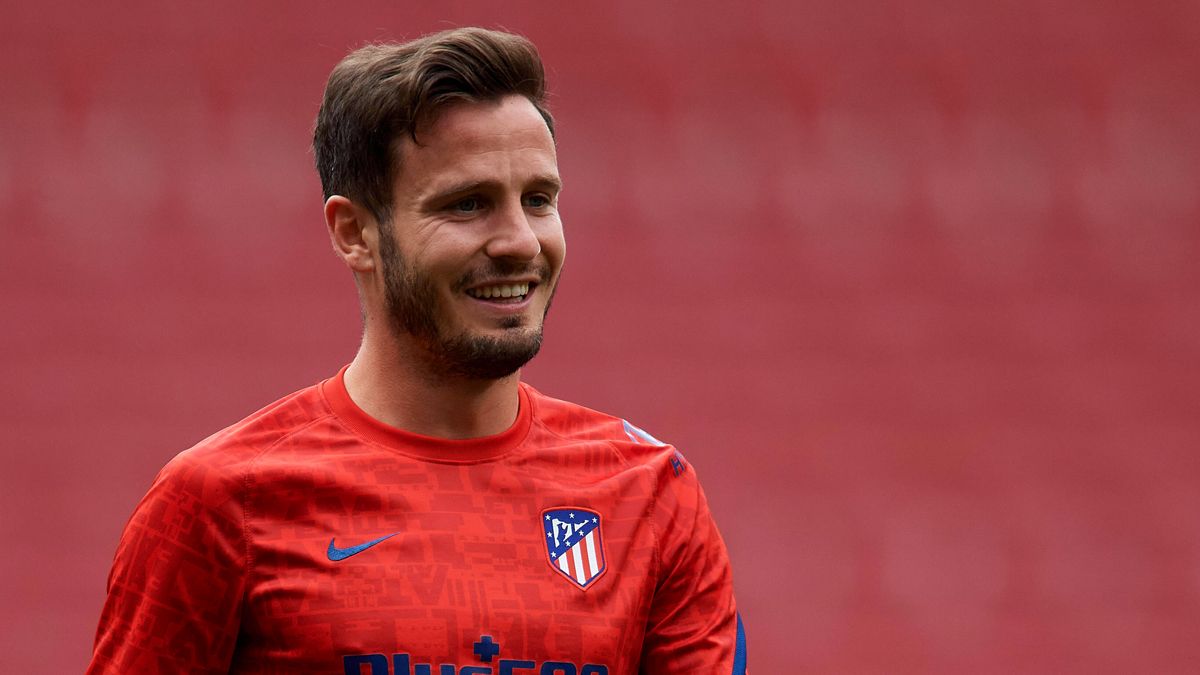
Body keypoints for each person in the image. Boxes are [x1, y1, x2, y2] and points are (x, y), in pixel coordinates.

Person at [88, 27, 746, 675]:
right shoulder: (219, 501)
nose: (520, 240)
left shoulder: (650, 494)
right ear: (355, 233)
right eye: (468, 204)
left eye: (539, 199)